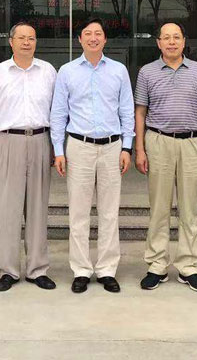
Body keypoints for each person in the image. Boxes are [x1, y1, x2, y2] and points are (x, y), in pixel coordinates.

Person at [51, 17, 135, 295]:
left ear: (105, 39)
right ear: (80, 39)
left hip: (112, 147)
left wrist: (127, 147)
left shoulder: (119, 70)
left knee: (110, 212)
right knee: (79, 212)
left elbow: (127, 110)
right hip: (79, 146)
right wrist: (58, 150)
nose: (93, 38)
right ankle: (81, 269)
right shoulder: (67, 71)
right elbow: (59, 113)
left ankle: (107, 269)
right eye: (88, 33)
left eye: (98, 33)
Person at [134, 21, 197, 293]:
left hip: (192, 143)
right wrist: (139, 149)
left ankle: (188, 266)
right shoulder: (147, 72)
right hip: (158, 141)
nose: (171, 42)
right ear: (158, 42)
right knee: (159, 208)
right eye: (166, 38)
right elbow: (140, 113)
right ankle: (157, 264)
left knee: (189, 209)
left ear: (184, 41)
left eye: (176, 37)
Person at [0, 21, 58, 292]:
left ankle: (37, 269)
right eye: (21, 38)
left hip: (40, 139)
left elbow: (58, 112)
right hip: (7, 141)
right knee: (8, 209)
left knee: (38, 207)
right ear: (11, 41)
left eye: (31, 38)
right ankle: (9, 270)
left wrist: (56, 148)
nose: (26, 42)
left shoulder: (48, 71)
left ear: (36, 42)